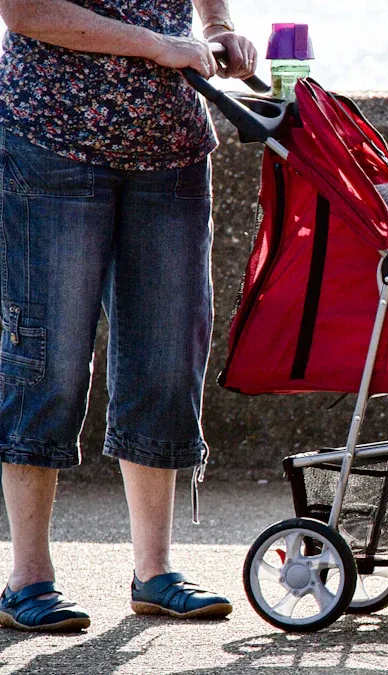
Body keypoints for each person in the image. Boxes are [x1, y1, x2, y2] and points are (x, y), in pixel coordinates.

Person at [0, 0, 255, 632]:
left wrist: (220, 31)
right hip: (49, 142)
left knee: (167, 363)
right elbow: (24, 9)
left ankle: (156, 572)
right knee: (47, 361)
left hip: (172, 151)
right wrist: (158, 45)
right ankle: (27, 579)